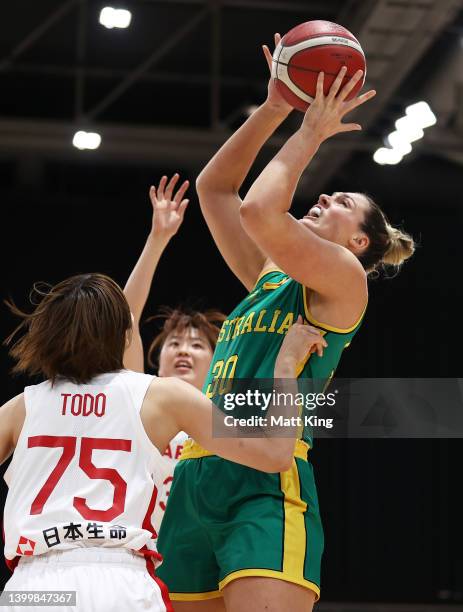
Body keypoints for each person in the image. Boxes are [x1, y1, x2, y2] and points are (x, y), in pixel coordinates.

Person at [156, 35, 415, 611]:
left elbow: (256, 208)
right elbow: (215, 190)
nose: (325, 194)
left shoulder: (344, 280)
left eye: (342, 201)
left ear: (359, 240)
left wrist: (311, 131)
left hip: (264, 480)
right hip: (196, 477)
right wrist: (275, 103)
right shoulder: (273, 278)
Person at [0, 273, 324, 612]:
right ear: (125, 335)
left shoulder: (22, 407)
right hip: (120, 582)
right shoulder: (158, 397)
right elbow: (274, 453)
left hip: (33, 585)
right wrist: (285, 367)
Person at [123, 175, 226, 531]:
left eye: (197, 345)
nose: (184, 350)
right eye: (175, 343)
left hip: (202, 559)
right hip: (141, 556)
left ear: (216, 363)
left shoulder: (226, 416)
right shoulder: (139, 397)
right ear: (158, 358)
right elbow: (127, 319)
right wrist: (158, 238)